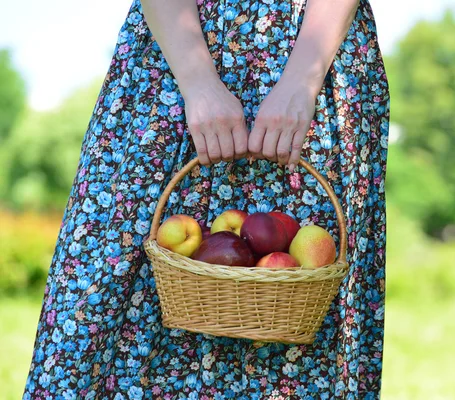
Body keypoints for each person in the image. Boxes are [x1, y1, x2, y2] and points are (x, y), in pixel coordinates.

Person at [23, 0, 389, 398]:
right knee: (112, 279)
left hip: (315, 57)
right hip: (175, 56)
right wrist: (197, 80)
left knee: (308, 292)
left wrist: (302, 80)